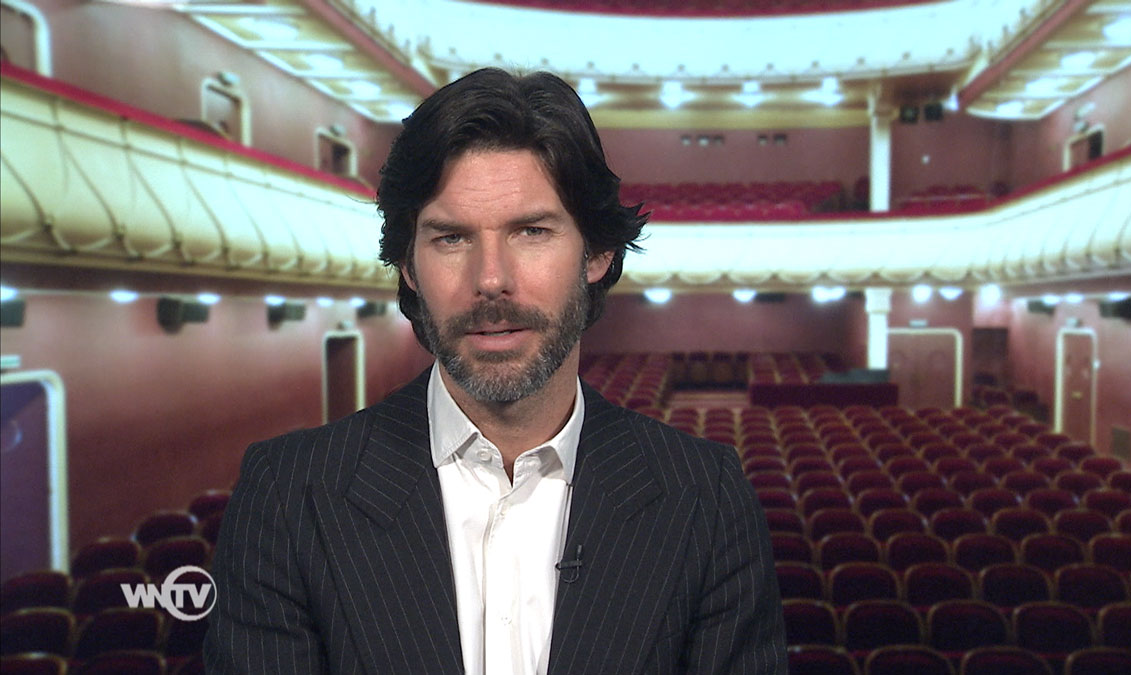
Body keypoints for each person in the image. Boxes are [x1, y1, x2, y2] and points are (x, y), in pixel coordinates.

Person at [204, 68, 785, 674]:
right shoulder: (289, 495)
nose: (490, 279)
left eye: (531, 231)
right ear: (409, 266)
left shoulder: (708, 499)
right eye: (451, 238)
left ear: (596, 252)